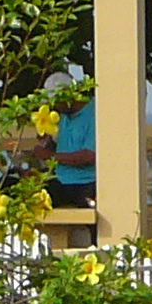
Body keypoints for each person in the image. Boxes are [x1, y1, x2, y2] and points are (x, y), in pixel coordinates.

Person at [37, 71, 96, 209]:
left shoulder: (94, 113)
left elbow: (88, 156)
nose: (55, 106)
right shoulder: (63, 116)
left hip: (85, 183)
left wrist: (50, 156)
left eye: (57, 101)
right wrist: (46, 144)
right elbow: (61, 146)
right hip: (61, 181)